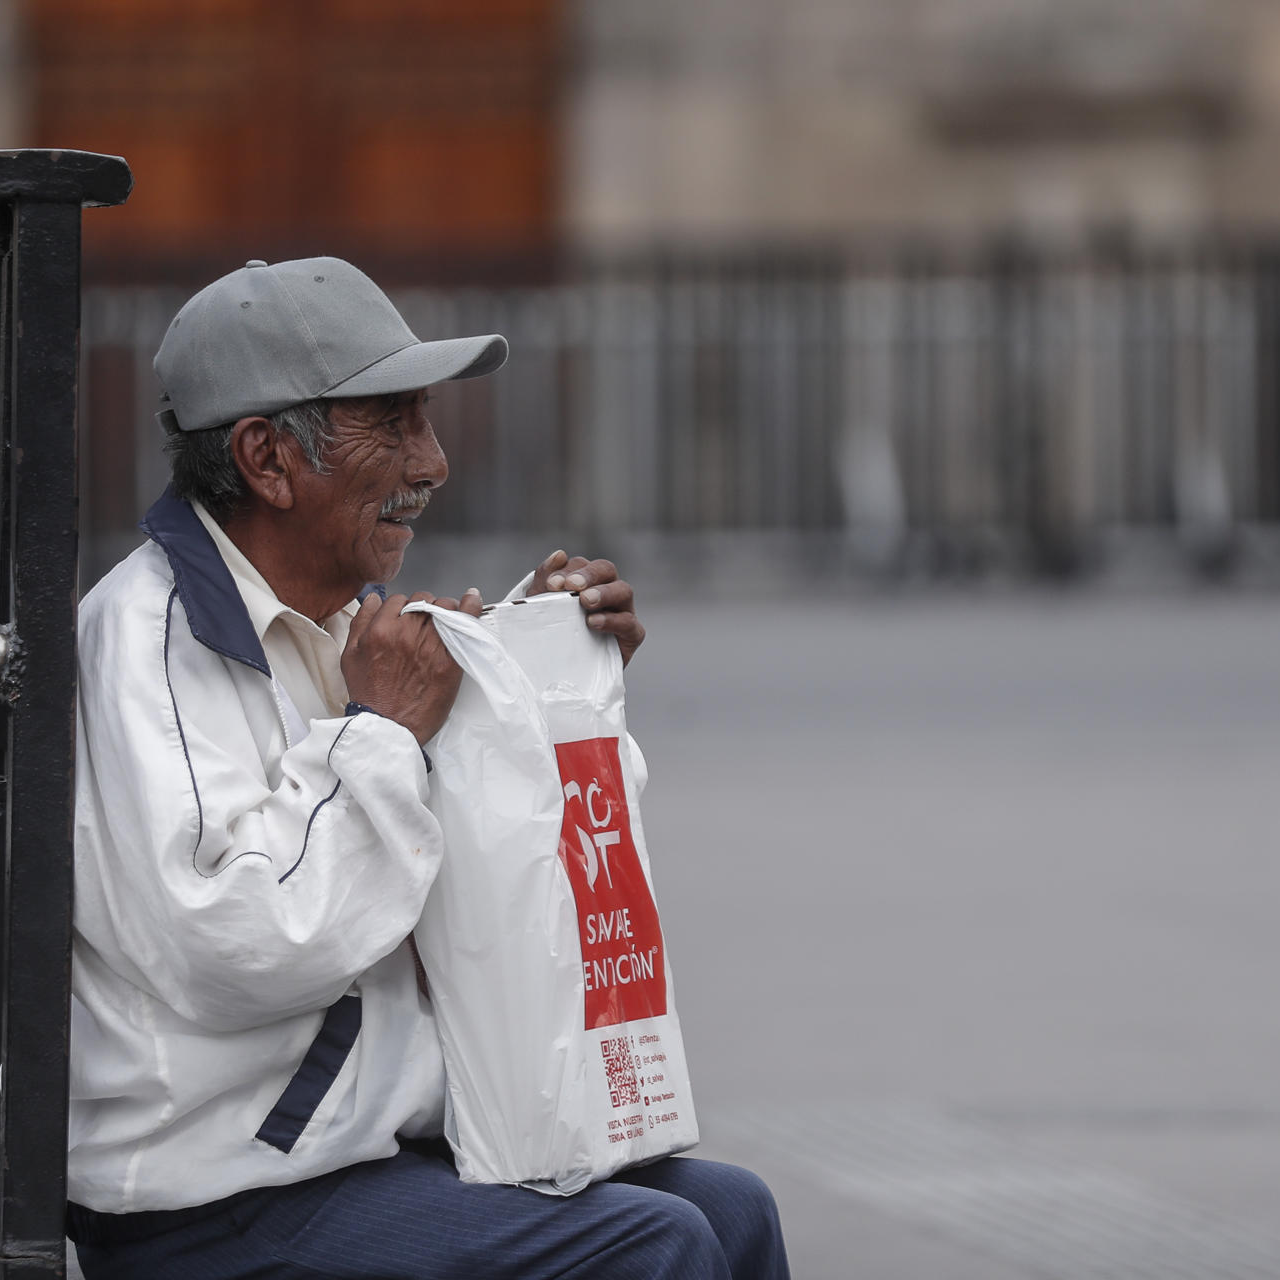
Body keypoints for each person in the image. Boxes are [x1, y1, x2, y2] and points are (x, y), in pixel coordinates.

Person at [65, 257, 788, 1280]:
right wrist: (383, 729)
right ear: (267, 457)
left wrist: (540, 685)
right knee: (654, 1247)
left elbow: (494, 876)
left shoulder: (330, 619)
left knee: (733, 1210)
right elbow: (241, 941)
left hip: (371, 1145)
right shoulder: (151, 642)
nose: (435, 460)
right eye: (394, 422)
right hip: (219, 1200)